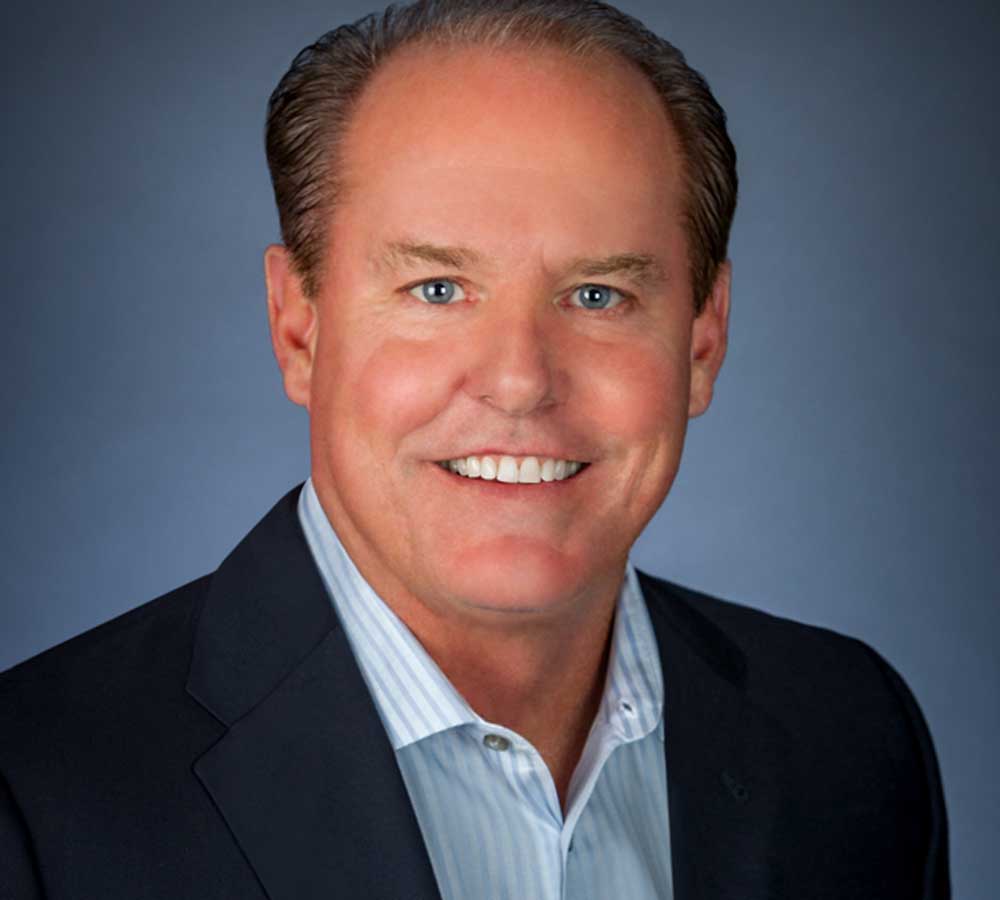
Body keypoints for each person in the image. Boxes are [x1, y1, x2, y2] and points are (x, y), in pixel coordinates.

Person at [0, 1, 949, 897]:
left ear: (703, 342)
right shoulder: (34, 793)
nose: (519, 380)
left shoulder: (852, 737)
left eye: (598, 296)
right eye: (438, 289)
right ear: (299, 328)